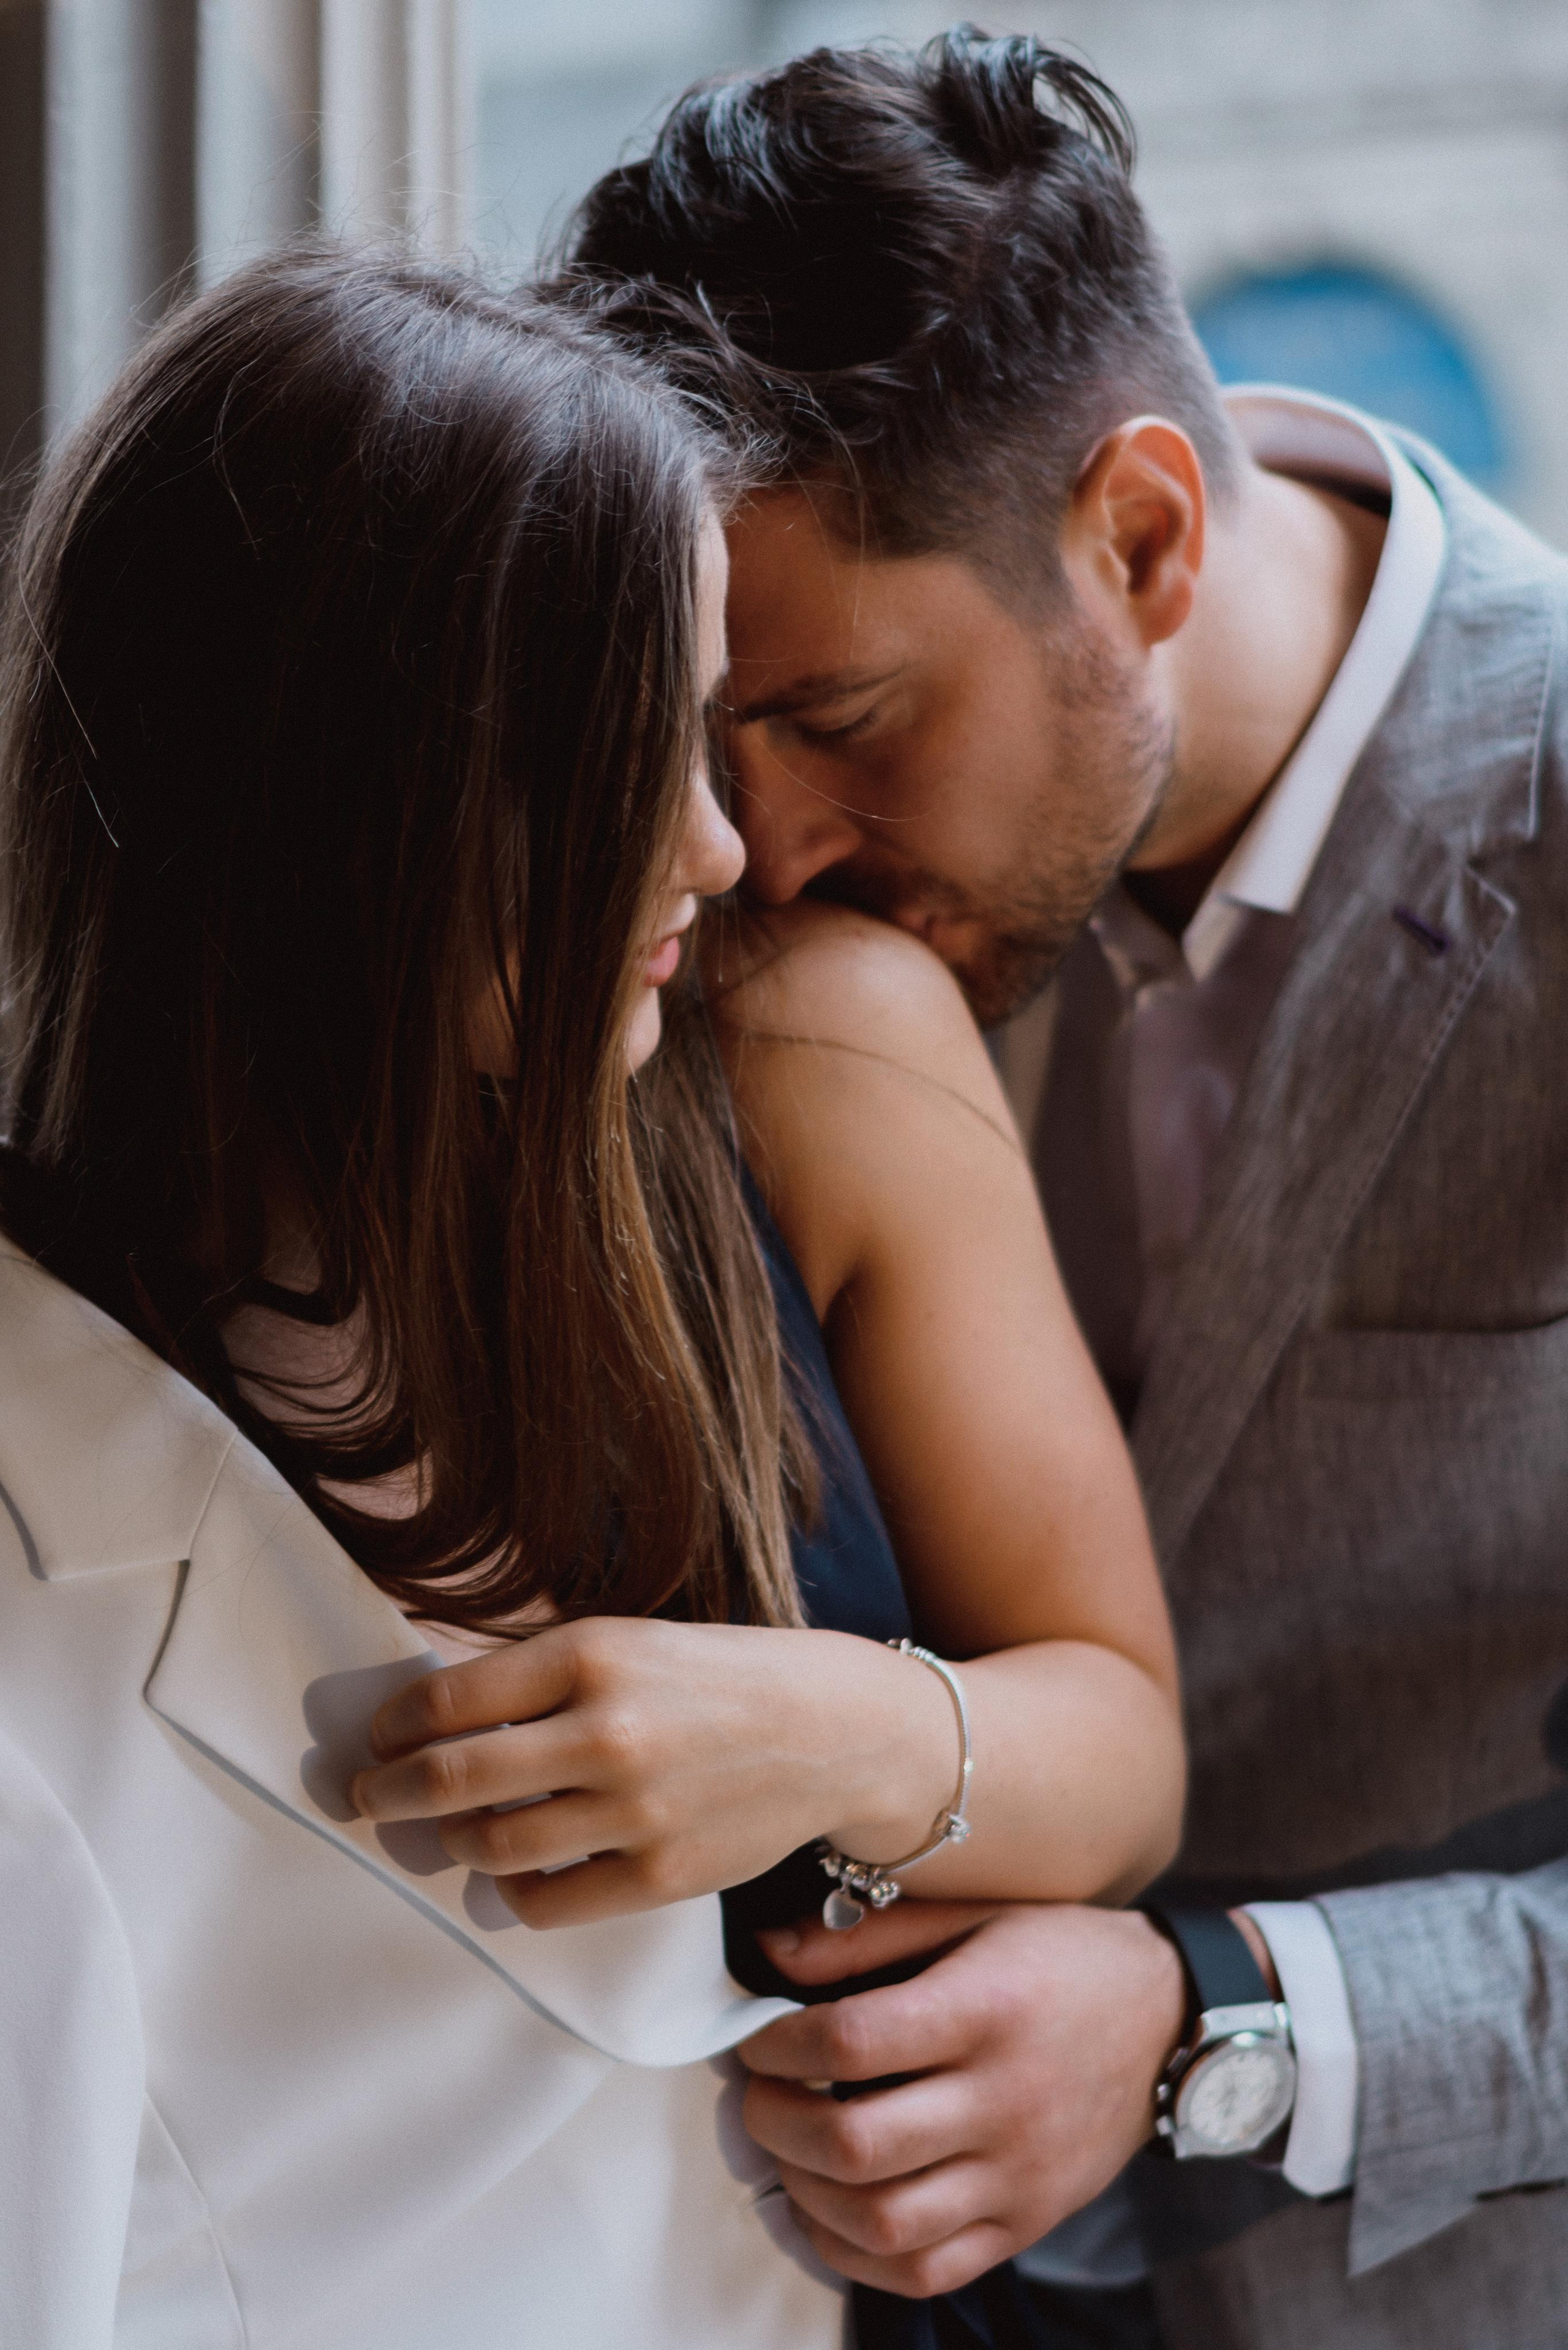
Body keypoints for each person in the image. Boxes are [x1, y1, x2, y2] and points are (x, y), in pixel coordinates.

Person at [0, 246, 1183, 2348]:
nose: (730, 852)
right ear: (370, 807)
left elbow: (1119, 1742)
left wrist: (826, 1731)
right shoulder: (61, 1471)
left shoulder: (789, 1063)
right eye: (649, 750)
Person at [560, 25, 1568, 2349]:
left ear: (1141, 537)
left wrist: (1237, 2026)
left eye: (839, 725)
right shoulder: (731, 919)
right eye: (719, 738)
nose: (768, 848)